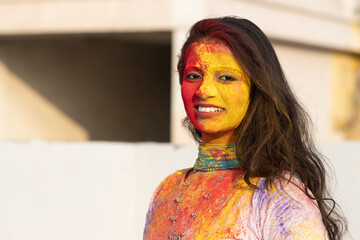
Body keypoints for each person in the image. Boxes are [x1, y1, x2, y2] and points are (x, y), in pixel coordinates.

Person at [143, 16, 347, 240]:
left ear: (257, 89)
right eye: (193, 76)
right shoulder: (168, 190)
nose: (204, 90)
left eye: (226, 78)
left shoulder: (277, 194)